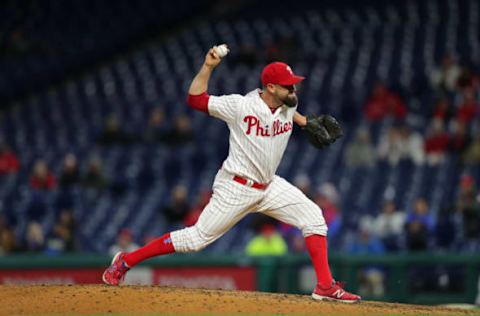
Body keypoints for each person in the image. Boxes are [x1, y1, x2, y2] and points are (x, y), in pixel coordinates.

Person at [103, 45, 360, 302]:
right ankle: (126, 260)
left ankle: (325, 286)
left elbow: (290, 112)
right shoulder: (240, 105)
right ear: (270, 87)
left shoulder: (288, 103)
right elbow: (195, 99)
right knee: (195, 240)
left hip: (269, 186)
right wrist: (208, 67)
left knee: (314, 217)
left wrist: (305, 122)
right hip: (236, 186)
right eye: (288, 85)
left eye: (293, 84)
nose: (294, 89)